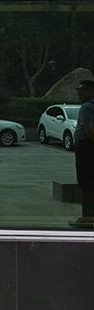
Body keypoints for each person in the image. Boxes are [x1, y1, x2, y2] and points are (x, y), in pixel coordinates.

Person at [69, 80, 94, 229]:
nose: (78, 92)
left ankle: (87, 216)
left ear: (91, 92)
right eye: (77, 89)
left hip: (86, 147)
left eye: (82, 89)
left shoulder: (86, 107)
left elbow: (88, 129)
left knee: (85, 181)